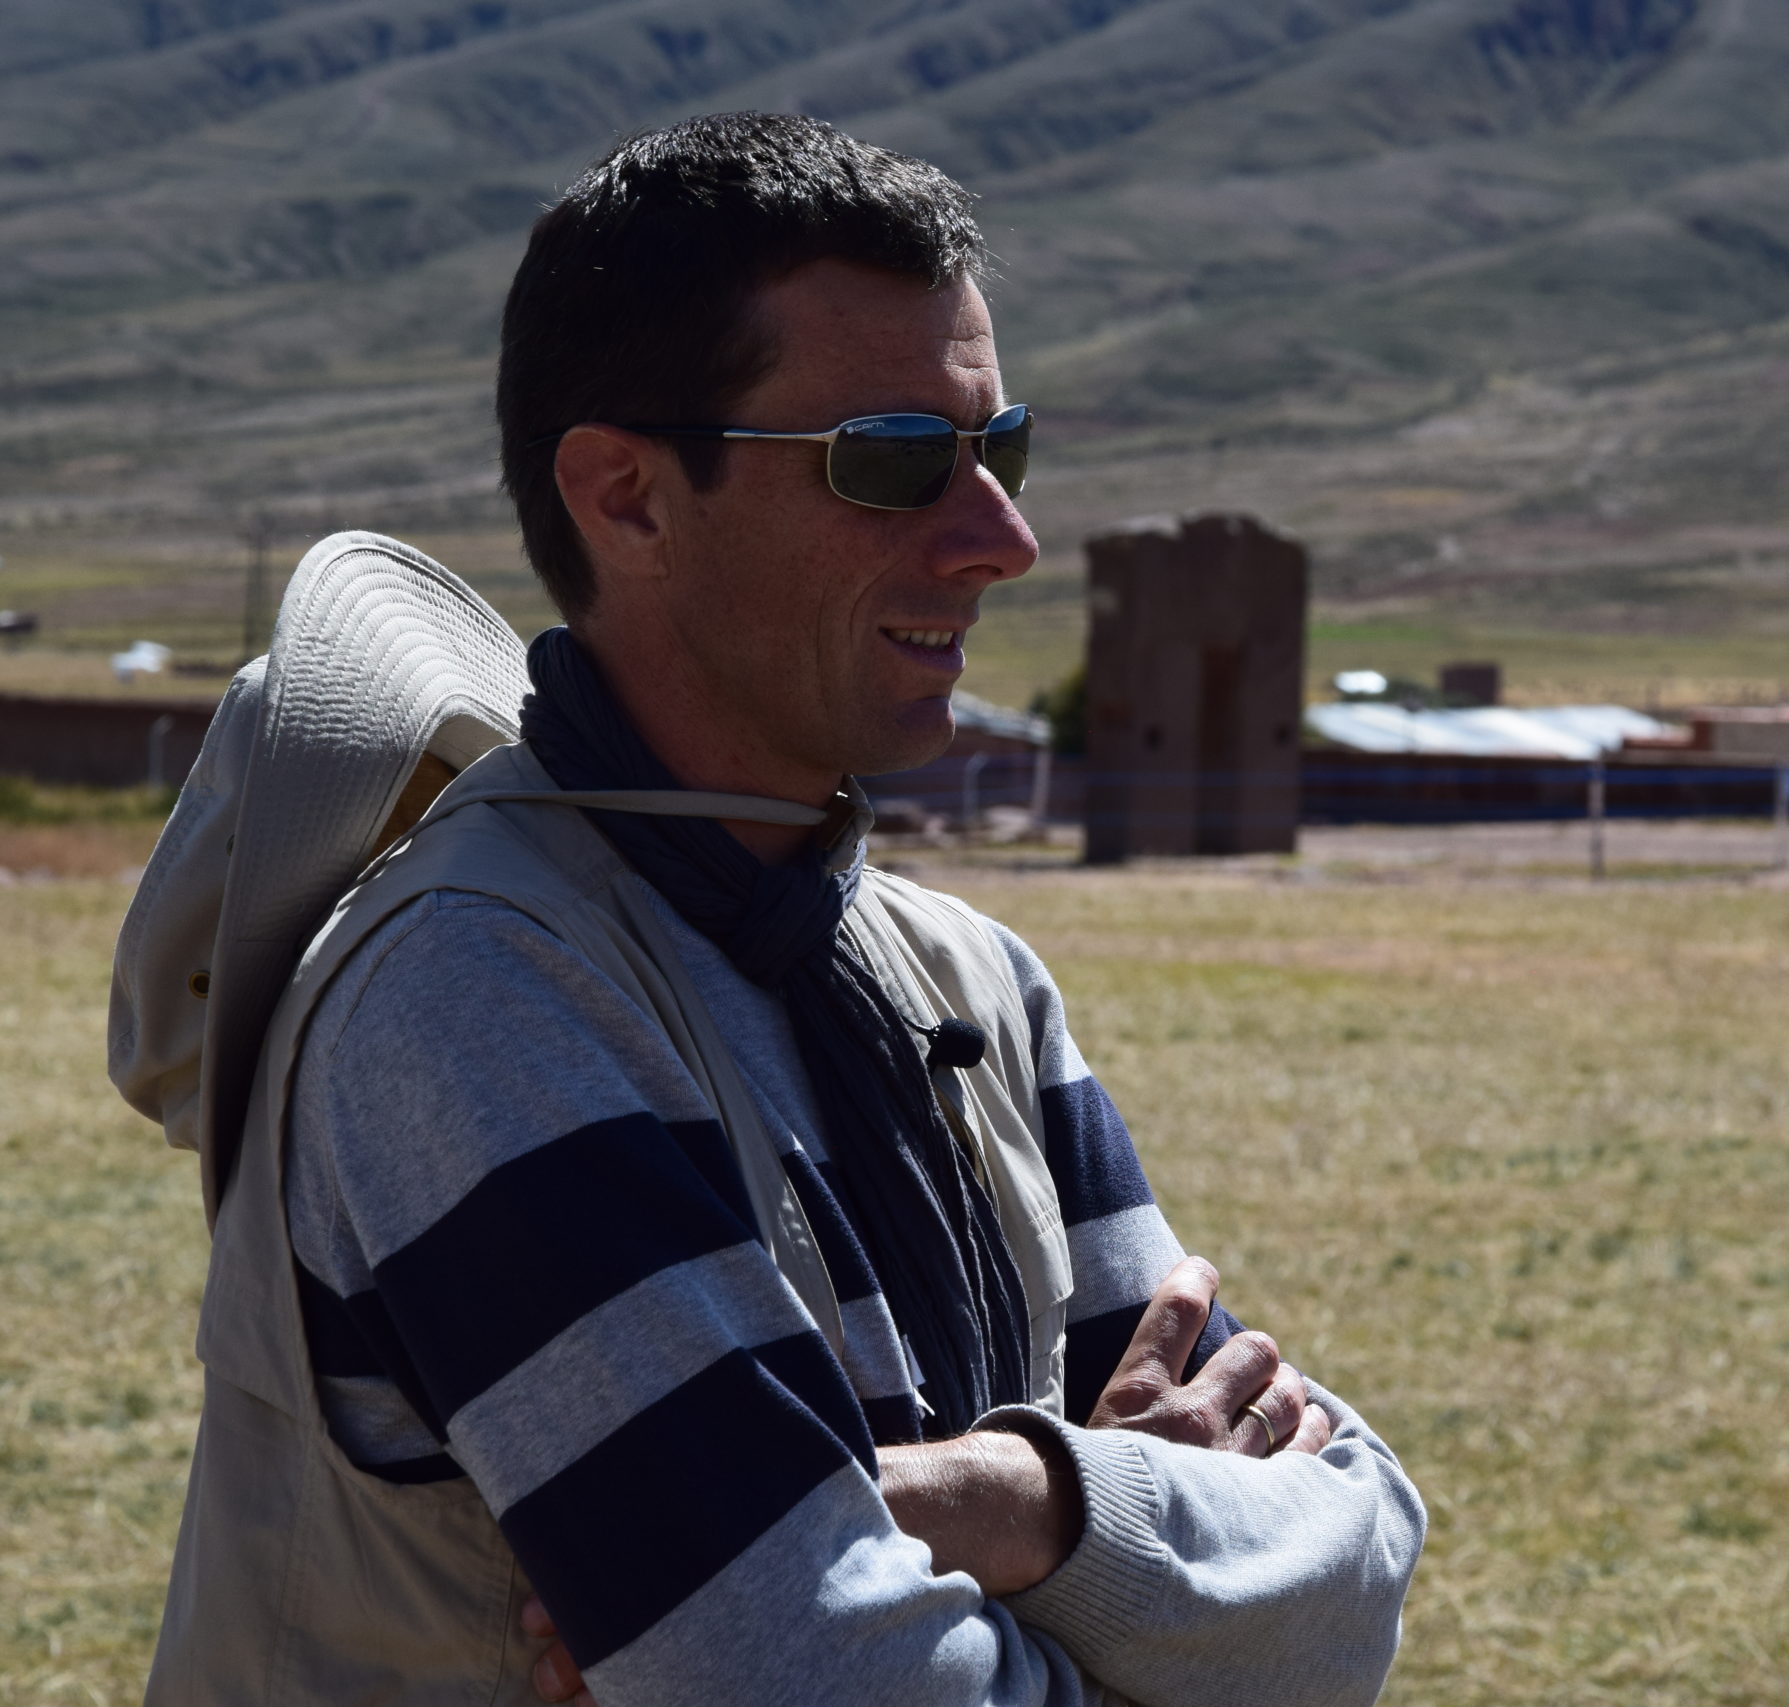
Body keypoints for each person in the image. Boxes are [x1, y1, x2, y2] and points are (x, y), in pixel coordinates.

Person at [109, 111, 1423, 1706]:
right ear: (628, 497)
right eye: (894, 462)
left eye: (998, 450)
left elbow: (1359, 1560)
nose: (1002, 542)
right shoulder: (474, 993)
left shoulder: (972, 979)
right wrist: (1154, 1573)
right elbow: (810, 1675)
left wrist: (1018, 1501)